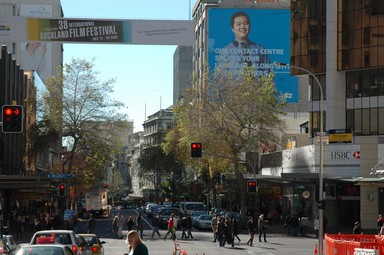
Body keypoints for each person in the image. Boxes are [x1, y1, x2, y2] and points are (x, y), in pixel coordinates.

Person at [215, 11, 272, 78]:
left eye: (246, 23)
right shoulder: (225, 52)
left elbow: (268, 76)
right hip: (234, 88)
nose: (242, 27)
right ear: (232, 29)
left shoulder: (260, 50)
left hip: (257, 88)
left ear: (250, 26)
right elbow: (220, 79)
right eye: (238, 24)